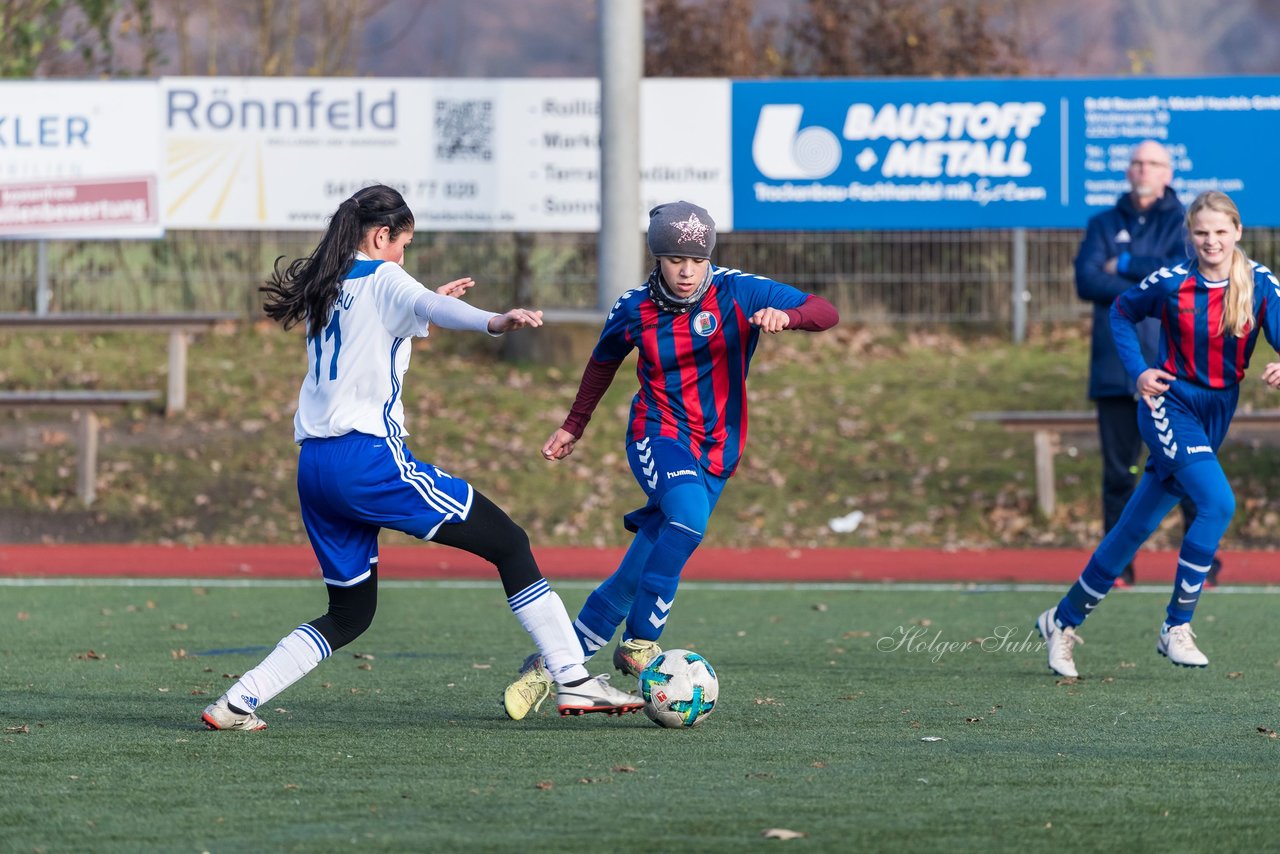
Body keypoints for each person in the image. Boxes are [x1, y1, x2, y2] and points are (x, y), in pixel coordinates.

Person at [201, 184, 641, 730]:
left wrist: (427, 301)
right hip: (367, 461)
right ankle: (572, 677)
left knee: (350, 614)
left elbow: (386, 328)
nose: (403, 257)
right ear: (380, 235)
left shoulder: (329, 283)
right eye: (402, 244)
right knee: (509, 542)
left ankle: (237, 701)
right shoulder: (386, 279)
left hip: (314, 468)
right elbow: (427, 306)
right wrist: (493, 321)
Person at [501, 201, 839, 719]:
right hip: (657, 434)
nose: (686, 270)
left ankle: (549, 667)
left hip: (718, 450)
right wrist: (574, 425)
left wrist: (787, 316)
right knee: (687, 518)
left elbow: (826, 311)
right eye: (675, 258)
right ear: (657, 257)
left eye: (696, 260)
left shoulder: (739, 289)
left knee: (635, 572)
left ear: (709, 259)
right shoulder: (634, 308)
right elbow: (601, 364)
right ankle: (640, 642)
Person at [1037, 190, 1280, 679]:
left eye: (1220, 231)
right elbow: (1121, 312)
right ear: (1189, 236)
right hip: (1168, 403)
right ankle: (1176, 626)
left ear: (1237, 232)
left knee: (1135, 527)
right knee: (1218, 504)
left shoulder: (1260, 283)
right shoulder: (1172, 281)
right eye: (1201, 232)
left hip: (1218, 409)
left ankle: (1061, 621)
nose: (1211, 241)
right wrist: (1138, 372)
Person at [1075, 139, 1217, 587]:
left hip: (1174, 366)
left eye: (1153, 163)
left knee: (1190, 464)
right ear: (1126, 171)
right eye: (1136, 162)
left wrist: (1128, 264)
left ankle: (1204, 565)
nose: (1143, 170)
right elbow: (1086, 279)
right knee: (1119, 473)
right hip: (1115, 368)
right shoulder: (1102, 222)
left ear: (1168, 172)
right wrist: (1150, 282)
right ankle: (1116, 568)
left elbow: (1186, 275)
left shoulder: (1185, 224)